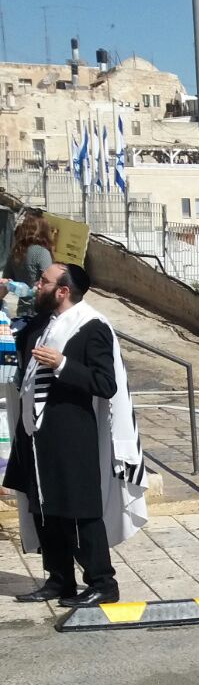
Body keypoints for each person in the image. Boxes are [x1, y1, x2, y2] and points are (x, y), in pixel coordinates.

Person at [5, 262, 147, 608]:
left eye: (44, 281)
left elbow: (105, 383)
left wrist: (63, 365)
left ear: (63, 290)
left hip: (71, 434)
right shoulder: (41, 323)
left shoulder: (91, 326)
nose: (37, 285)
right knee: (44, 510)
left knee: (79, 511)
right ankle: (60, 580)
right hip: (36, 432)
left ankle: (102, 583)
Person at [0, 214, 55, 319]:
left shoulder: (16, 252)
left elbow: (7, 280)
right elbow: (50, 282)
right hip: (41, 310)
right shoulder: (41, 252)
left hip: (22, 309)